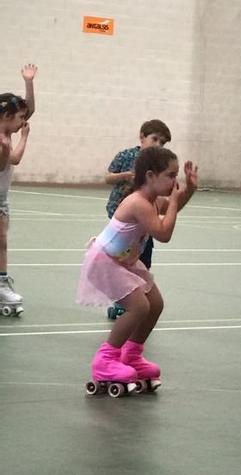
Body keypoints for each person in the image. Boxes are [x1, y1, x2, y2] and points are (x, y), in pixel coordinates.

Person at [79, 147, 198, 396]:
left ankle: (131, 355)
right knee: (139, 307)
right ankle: (105, 360)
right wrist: (175, 201)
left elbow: (170, 208)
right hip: (105, 262)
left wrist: (189, 191)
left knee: (155, 304)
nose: (174, 181)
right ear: (151, 176)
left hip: (124, 261)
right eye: (171, 175)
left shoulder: (152, 200)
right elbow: (163, 233)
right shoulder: (138, 203)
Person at [104, 119, 173, 319]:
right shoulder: (126, 155)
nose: (158, 145)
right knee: (122, 259)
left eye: (162, 142)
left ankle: (140, 293)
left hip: (145, 217)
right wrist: (125, 175)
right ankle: (123, 300)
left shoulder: (158, 164)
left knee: (143, 255)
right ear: (142, 137)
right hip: (123, 215)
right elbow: (107, 177)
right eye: (155, 139)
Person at [0, 64, 37, 316]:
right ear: (6, 117)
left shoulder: (6, 130)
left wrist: (29, 83)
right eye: (20, 119)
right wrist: (24, 139)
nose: (24, 122)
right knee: (1, 240)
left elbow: (29, 109)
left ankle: (1, 282)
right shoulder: (3, 140)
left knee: (1, 241)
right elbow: (12, 160)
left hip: (2, 197)